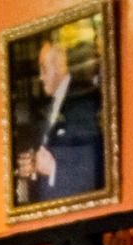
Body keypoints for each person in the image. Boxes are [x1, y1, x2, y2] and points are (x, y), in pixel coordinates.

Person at [15, 30, 102, 203]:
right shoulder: (50, 107)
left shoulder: (83, 102)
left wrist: (53, 169)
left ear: (60, 65)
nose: (40, 77)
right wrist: (33, 166)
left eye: (44, 69)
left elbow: (93, 168)